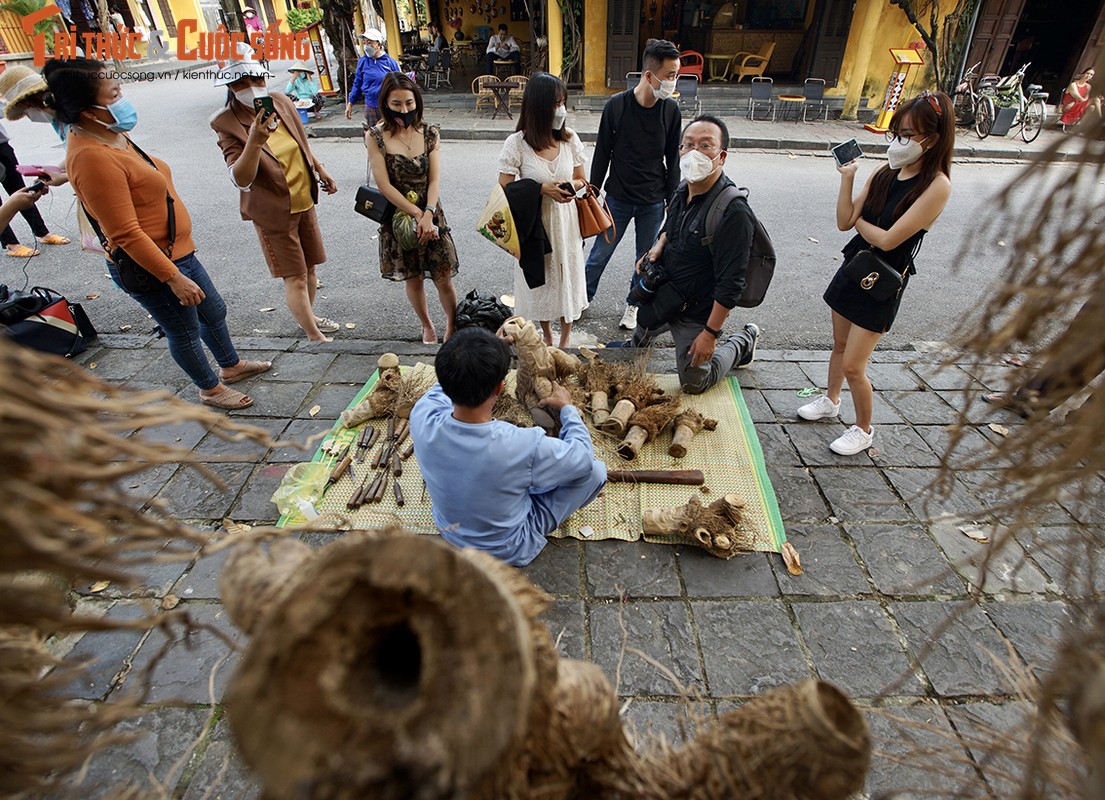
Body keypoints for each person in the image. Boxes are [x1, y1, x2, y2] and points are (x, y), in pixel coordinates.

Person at [45, 57, 270, 409]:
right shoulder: (92, 157)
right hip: (154, 265)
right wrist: (172, 278)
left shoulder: (109, 133)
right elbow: (125, 234)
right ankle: (209, 389)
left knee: (213, 311)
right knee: (184, 331)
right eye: (114, 91)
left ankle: (231, 366)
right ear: (89, 111)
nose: (123, 97)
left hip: (179, 251)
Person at [797, 91, 953, 455]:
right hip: (854, 267)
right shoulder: (886, 171)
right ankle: (831, 401)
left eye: (909, 134)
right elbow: (842, 222)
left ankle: (864, 429)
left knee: (854, 365)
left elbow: (887, 240)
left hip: (882, 279)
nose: (900, 141)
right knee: (837, 346)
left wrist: (860, 222)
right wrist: (848, 177)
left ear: (933, 137)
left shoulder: (937, 185)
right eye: (896, 132)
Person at [409, 326, 607, 567]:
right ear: (500, 388)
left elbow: (445, 384)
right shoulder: (520, 444)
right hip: (507, 546)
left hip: (451, 529)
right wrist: (568, 410)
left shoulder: (422, 414)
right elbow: (582, 460)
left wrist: (489, 348)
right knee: (596, 471)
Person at [211, 48, 340, 342]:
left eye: (256, 78)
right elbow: (240, 178)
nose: (252, 86)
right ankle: (313, 335)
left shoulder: (281, 102)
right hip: (272, 211)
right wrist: (255, 140)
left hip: (302, 199)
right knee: (293, 276)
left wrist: (320, 169)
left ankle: (309, 316)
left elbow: (301, 142)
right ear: (231, 87)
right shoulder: (226, 122)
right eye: (242, 81)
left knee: (309, 270)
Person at [626, 115, 760, 396]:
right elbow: (670, 226)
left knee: (694, 382)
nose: (693, 153)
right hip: (667, 291)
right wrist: (658, 244)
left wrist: (710, 335)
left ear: (721, 156)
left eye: (705, 146)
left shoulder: (733, 212)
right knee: (642, 323)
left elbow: (731, 284)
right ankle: (640, 339)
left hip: (697, 310)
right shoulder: (682, 188)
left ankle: (743, 341)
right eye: (687, 145)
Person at [586, 38, 681, 330]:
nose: (673, 82)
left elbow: (673, 160)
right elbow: (603, 153)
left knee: (646, 261)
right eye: (670, 75)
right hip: (618, 198)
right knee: (599, 255)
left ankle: (633, 306)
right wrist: (592, 192)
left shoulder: (670, 111)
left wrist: (671, 200)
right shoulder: (616, 106)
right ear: (650, 75)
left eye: (676, 74)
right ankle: (582, 297)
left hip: (652, 201)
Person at [497, 72, 587, 348]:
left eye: (563, 102)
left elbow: (583, 179)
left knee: (567, 275)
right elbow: (504, 189)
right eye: (554, 103)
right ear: (537, 106)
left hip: (566, 222)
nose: (561, 110)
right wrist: (539, 189)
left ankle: (566, 338)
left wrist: (568, 187)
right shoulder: (517, 144)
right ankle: (547, 334)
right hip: (534, 223)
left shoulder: (569, 138)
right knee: (543, 278)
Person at [368, 73, 459, 344]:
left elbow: (434, 179)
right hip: (400, 217)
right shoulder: (376, 137)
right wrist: (416, 214)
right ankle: (427, 325)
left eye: (409, 103)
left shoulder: (430, 133)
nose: (404, 110)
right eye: (397, 104)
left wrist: (428, 214)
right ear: (385, 103)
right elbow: (383, 185)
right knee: (414, 277)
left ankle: (452, 326)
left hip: (431, 214)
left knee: (443, 276)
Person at [345, 28, 400, 128]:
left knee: (391, 136)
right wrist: (350, 103)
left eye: (370, 43)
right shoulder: (363, 62)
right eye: (365, 43)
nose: (366, 46)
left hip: (388, 107)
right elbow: (357, 84)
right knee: (373, 137)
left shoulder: (390, 63)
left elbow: (399, 85)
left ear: (378, 44)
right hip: (371, 107)